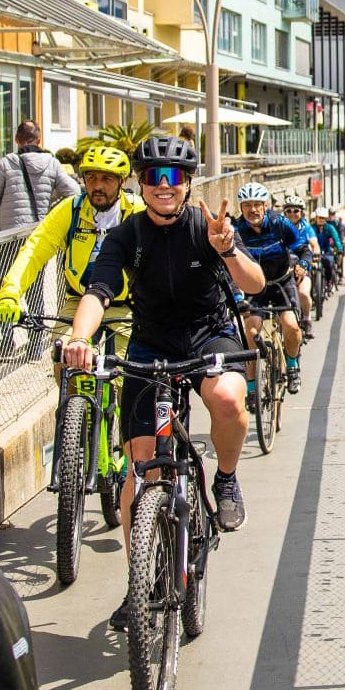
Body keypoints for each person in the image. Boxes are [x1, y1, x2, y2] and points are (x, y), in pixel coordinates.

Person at [61, 136, 261, 629]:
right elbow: (98, 291)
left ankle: (228, 481)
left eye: (173, 177)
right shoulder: (126, 235)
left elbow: (254, 284)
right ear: (141, 185)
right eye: (154, 177)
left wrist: (228, 248)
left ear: (188, 183)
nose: (164, 186)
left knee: (228, 398)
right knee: (140, 476)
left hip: (207, 335)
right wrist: (79, 338)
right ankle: (142, 583)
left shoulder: (206, 228)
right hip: (151, 343)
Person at [0, 144, 143, 359]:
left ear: (122, 181)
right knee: (64, 361)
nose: (97, 186)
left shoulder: (138, 211)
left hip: (124, 305)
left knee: (121, 375)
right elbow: (34, 250)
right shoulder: (70, 209)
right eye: (91, 178)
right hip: (78, 300)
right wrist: (10, 293)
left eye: (106, 179)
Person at [0, 121, 80, 355]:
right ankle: (36, 343)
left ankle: (7, 342)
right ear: (39, 140)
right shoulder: (52, 163)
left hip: (10, 234)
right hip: (38, 234)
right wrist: (51, 204)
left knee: (8, 286)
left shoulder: (7, 163)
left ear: (18, 139)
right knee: (35, 288)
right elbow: (74, 192)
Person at [232, 182, 309, 394]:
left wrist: (303, 265)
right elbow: (229, 263)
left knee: (291, 326)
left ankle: (293, 367)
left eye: (257, 204)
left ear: (265, 205)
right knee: (251, 332)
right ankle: (251, 386)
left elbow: (303, 248)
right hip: (255, 286)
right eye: (247, 205)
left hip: (282, 282)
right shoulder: (237, 230)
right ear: (241, 208)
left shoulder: (280, 224)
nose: (253, 210)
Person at [278, 192, 320, 339]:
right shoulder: (279, 227)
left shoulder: (306, 227)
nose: (292, 213)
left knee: (302, 293)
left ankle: (307, 319)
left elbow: (314, 243)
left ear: (301, 212)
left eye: (296, 210)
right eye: (288, 211)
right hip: (283, 267)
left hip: (302, 265)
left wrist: (315, 254)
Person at [310, 208, 343, 286]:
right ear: (316, 218)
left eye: (323, 218)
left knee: (329, 262)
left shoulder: (330, 227)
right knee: (310, 266)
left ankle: (329, 281)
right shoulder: (311, 227)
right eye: (320, 217)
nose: (321, 220)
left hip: (326, 251)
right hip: (313, 252)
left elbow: (336, 238)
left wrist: (339, 248)